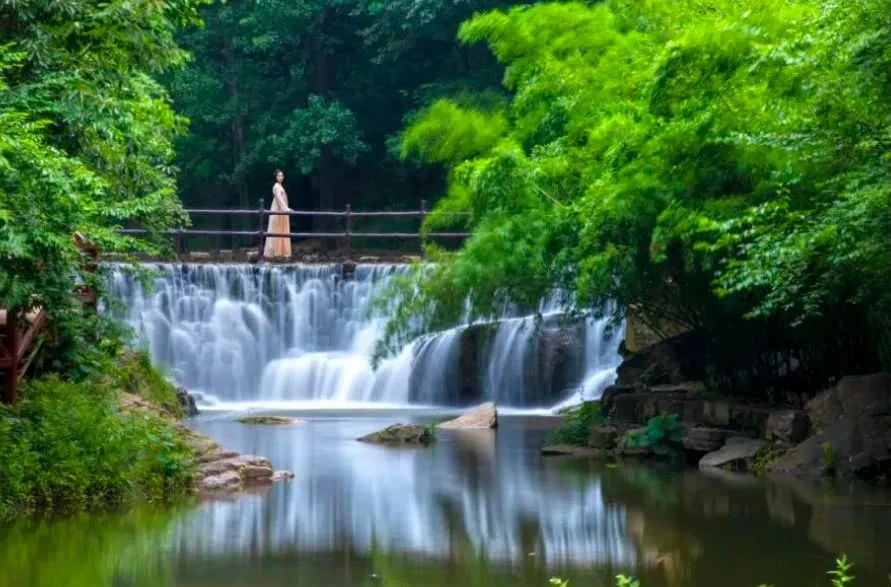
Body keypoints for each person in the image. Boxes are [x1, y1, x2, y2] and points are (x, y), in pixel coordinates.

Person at [264, 169, 292, 258]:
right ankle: (275, 251)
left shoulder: (280, 186)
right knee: (277, 228)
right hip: (278, 208)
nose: (281, 177)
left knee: (281, 229)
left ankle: (282, 250)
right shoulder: (276, 187)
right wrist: (285, 208)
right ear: (276, 177)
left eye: (282, 175)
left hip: (281, 208)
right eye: (279, 176)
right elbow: (279, 198)